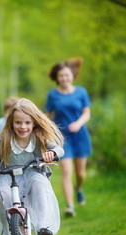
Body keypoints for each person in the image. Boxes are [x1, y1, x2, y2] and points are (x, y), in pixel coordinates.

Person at [0, 98, 64, 235]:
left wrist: (53, 153)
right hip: (7, 173)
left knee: (40, 185)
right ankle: (7, 233)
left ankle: (44, 228)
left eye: (27, 123)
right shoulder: (6, 136)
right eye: (18, 122)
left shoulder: (37, 137)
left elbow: (58, 149)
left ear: (34, 123)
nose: (22, 127)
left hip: (31, 172)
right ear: (11, 123)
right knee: (2, 195)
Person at [45, 58, 92, 217]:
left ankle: (78, 188)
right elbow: (48, 116)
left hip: (80, 135)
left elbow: (86, 113)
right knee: (66, 171)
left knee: (80, 173)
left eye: (66, 75)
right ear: (57, 78)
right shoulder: (52, 95)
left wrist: (78, 123)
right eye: (61, 76)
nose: (64, 78)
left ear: (72, 75)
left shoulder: (81, 92)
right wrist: (47, 131)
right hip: (62, 138)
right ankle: (70, 206)